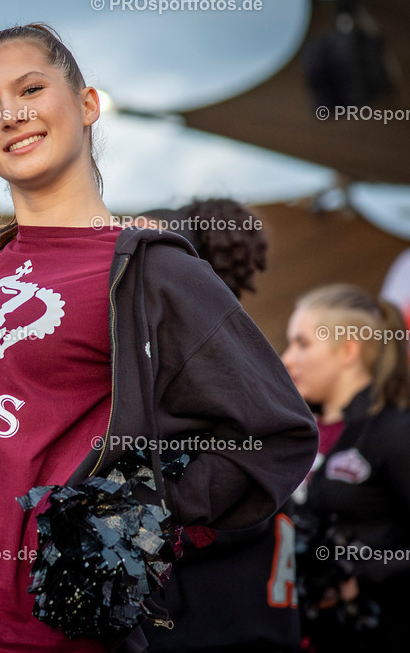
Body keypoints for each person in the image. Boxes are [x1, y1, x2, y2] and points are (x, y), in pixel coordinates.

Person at [0, 24, 318, 652]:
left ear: (87, 104)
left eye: (30, 89)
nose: (10, 115)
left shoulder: (153, 270)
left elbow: (275, 435)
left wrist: (132, 523)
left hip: (29, 635)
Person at [138, 199, 301, 653]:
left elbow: (235, 499)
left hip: (215, 627)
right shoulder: (233, 359)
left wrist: (145, 514)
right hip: (245, 618)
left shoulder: (201, 373)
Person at [282, 284, 410, 653]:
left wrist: (361, 575)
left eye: (302, 343)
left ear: (348, 350)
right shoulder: (301, 433)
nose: (287, 359)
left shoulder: (394, 431)